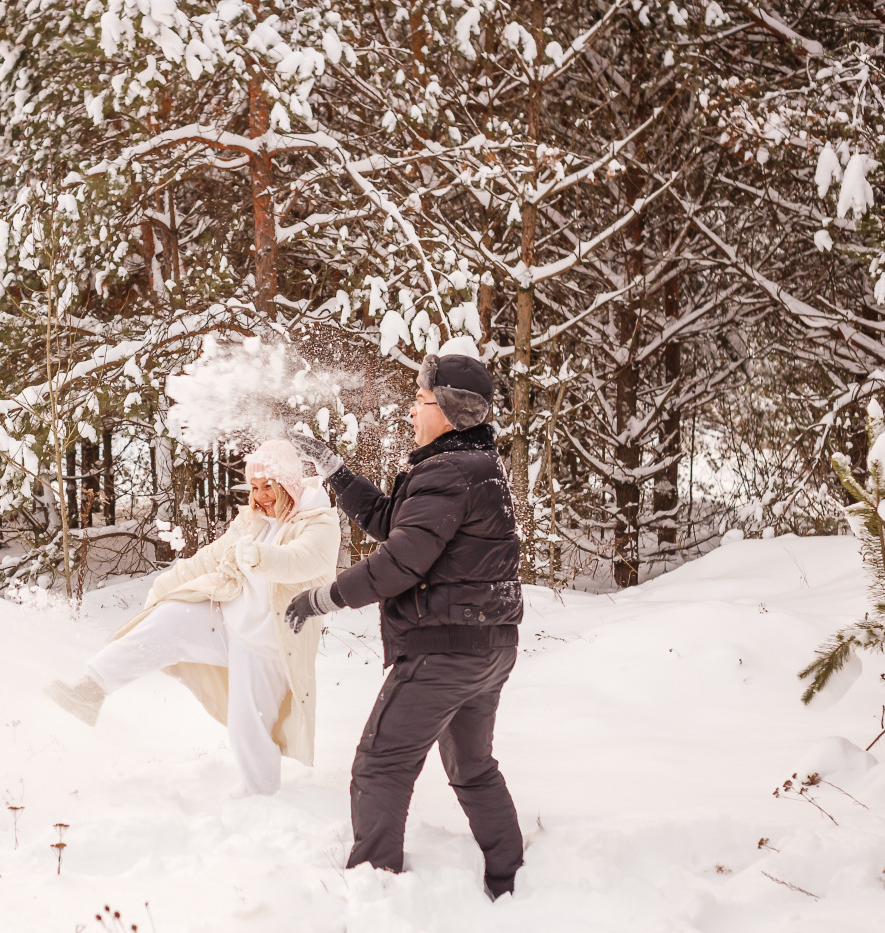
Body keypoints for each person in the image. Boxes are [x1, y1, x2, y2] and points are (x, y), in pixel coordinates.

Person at [286, 342, 526, 898]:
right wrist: (336, 471)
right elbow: (394, 522)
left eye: (419, 400)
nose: (411, 411)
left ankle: (375, 893)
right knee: (471, 766)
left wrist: (323, 598)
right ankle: (511, 880)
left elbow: (399, 562)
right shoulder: (475, 469)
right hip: (487, 648)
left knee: (380, 766)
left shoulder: (449, 474)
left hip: (443, 651)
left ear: (446, 409)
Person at [44, 440, 341, 795]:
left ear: (288, 485)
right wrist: (165, 586)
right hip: (228, 620)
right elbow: (208, 558)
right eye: (256, 488)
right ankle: (90, 688)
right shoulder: (254, 522)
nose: (261, 497)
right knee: (171, 618)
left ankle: (260, 799)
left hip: (269, 645)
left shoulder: (320, 523)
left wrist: (260, 556)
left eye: (269, 488)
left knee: (249, 727)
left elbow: (303, 560)